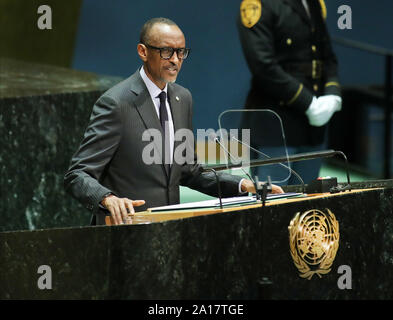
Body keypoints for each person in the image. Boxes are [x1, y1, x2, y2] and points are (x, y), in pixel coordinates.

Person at [64, 17, 283, 226]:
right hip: (126, 230)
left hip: (169, 232)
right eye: (167, 52)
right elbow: (77, 174)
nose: (176, 60)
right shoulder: (116, 103)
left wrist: (243, 185)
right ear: (143, 51)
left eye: (181, 52)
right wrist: (107, 198)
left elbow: (189, 170)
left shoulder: (182, 98)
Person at [237, 0, 342, 184]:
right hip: (276, 122)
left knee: (308, 202)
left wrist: (332, 93)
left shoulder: (314, 4)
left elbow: (327, 57)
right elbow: (263, 66)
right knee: (271, 202)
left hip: (313, 125)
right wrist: (308, 103)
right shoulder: (258, 4)